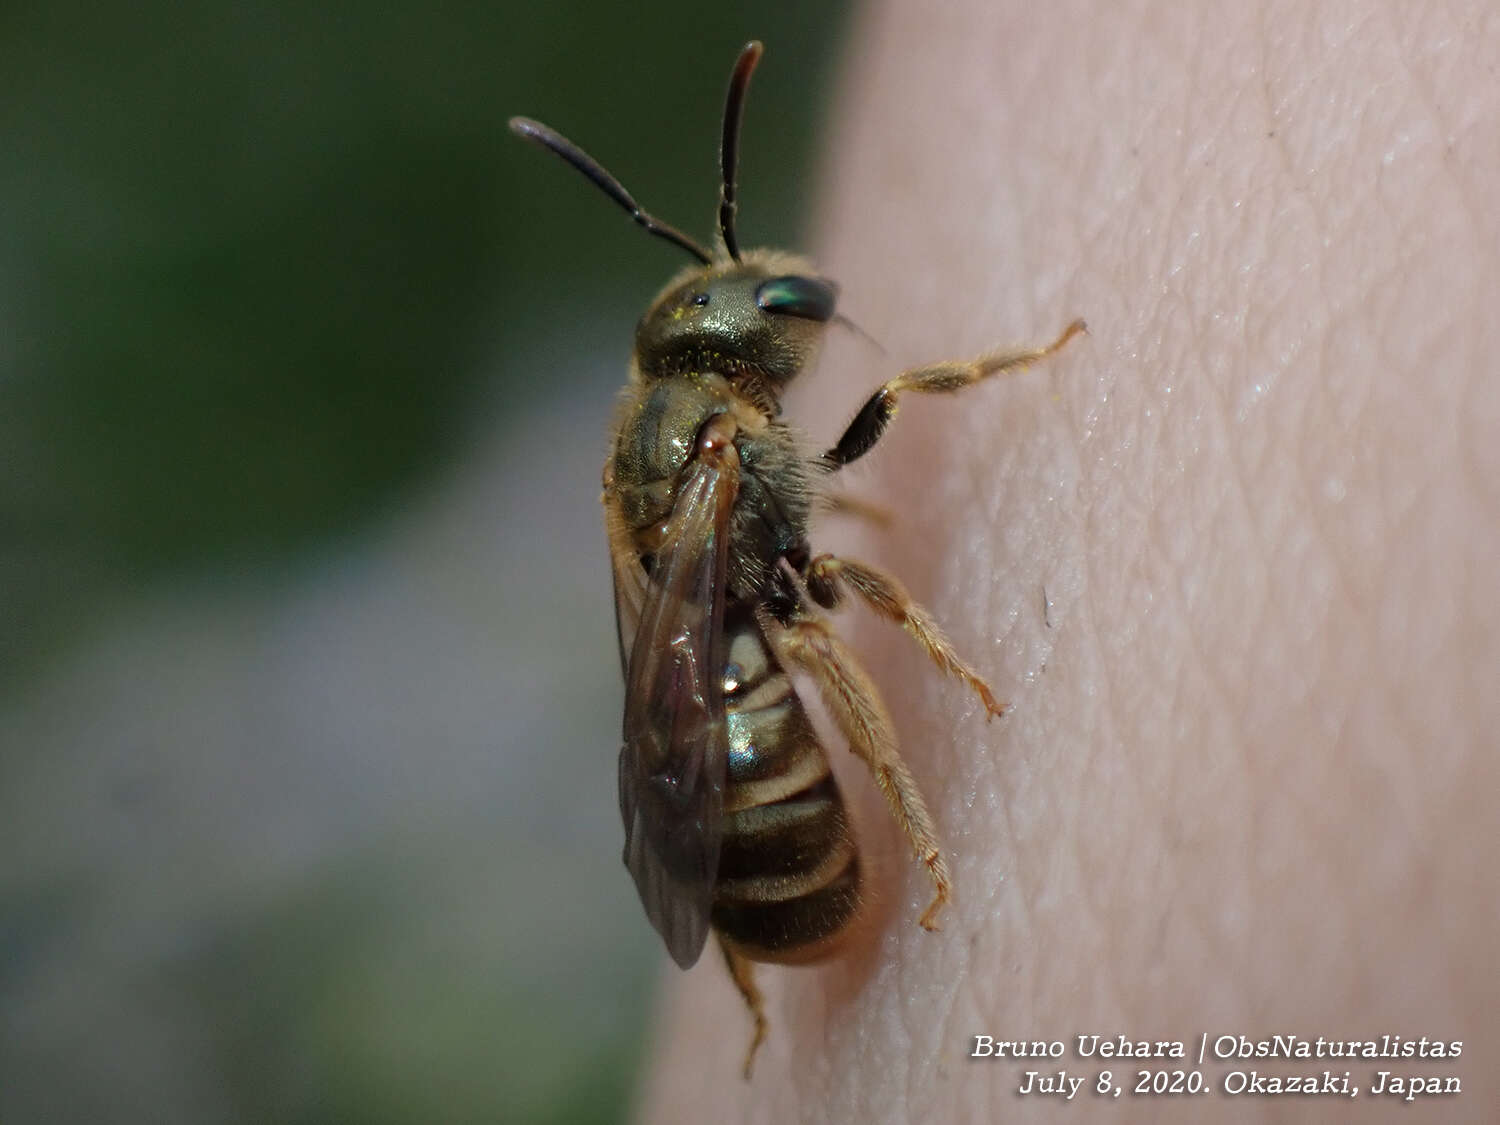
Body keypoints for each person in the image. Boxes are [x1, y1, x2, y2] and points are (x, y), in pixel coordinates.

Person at [640, 2, 1497, 1119]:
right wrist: (936, 653)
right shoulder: (715, 453)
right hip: (765, 826)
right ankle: (913, 824)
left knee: (785, 620)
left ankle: (758, 998)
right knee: (835, 564)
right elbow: (802, 551)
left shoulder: (675, 481)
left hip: (712, 807)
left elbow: (764, 537)